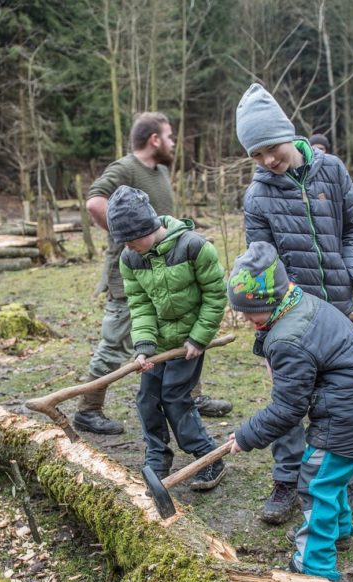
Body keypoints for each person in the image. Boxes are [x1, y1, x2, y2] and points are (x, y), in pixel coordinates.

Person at [235, 82, 353, 524]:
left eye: (271, 148)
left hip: (338, 311)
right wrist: (267, 333)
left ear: (287, 135)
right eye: (256, 155)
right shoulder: (257, 196)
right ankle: (286, 480)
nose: (267, 161)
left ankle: (339, 483)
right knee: (289, 400)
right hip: (290, 319)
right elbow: (261, 261)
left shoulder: (332, 170)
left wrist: (352, 271)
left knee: (337, 402)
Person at [225, 242, 353, 580]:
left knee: (317, 483)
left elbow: (288, 409)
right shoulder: (301, 302)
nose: (245, 319)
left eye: (249, 313)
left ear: (269, 302)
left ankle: (314, 564)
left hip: (347, 417)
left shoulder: (288, 339)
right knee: (332, 478)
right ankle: (339, 530)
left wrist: (246, 436)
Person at [77, 112, 231, 435]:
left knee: (179, 327)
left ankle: (191, 397)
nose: (173, 143)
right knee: (115, 344)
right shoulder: (125, 168)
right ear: (154, 139)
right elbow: (94, 202)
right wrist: (127, 236)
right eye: (170, 136)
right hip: (133, 276)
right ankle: (88, 409)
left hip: (169, 271)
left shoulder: (159, 171)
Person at [108, 185, 228, 489]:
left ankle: (208, 458)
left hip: (188, 342)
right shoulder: (131, 258)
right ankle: (158, 456)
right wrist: (144, 346)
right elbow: (140, 305)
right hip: (158, 344)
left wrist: (199, 338)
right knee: (147, 399)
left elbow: (215, 296)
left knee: (175, 397)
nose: (128, 246)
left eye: (131, 239)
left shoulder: (194, 247)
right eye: (124, 242)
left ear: (146, 228)